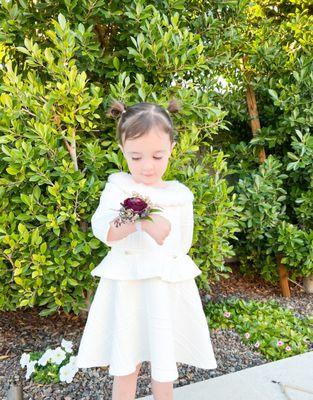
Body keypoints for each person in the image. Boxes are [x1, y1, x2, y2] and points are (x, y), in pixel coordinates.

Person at [76, 100, 217, 400]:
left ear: (172, 148)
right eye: (136, 157)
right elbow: (106, 229)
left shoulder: (179, 195)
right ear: (123, 150)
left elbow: (183, 243)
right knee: (128, 362)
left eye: (157, 155)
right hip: (129, 287)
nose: (147, 166)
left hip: (163, 288)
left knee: (163, 362)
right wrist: (142, 223)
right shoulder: (120, 188)